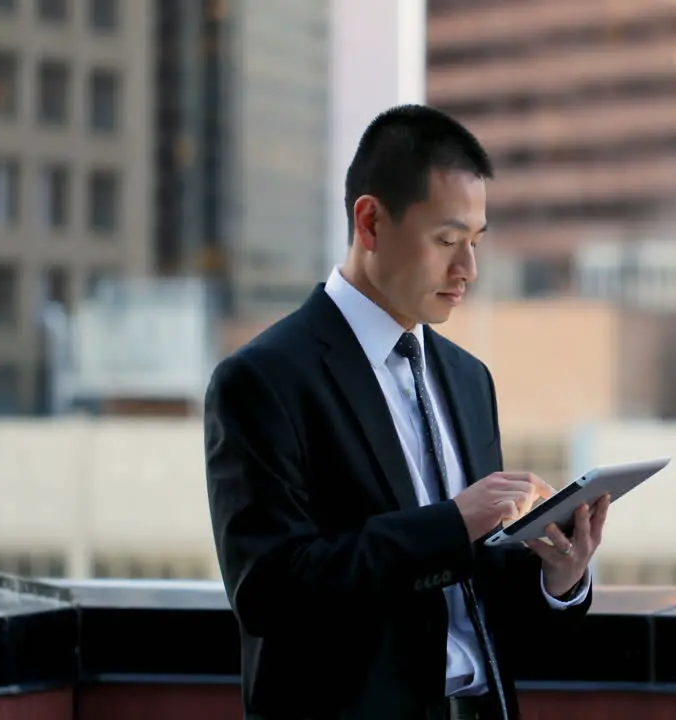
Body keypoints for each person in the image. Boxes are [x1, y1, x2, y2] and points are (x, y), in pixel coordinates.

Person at [204, 104, 610, 720]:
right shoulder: (262, 380)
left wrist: (560, 577)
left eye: (475, 242)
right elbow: (270, 592)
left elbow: (470, 584)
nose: (467, 269)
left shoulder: (469, 379)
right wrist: (453, 522)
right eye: (447, 241)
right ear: (370, 222)